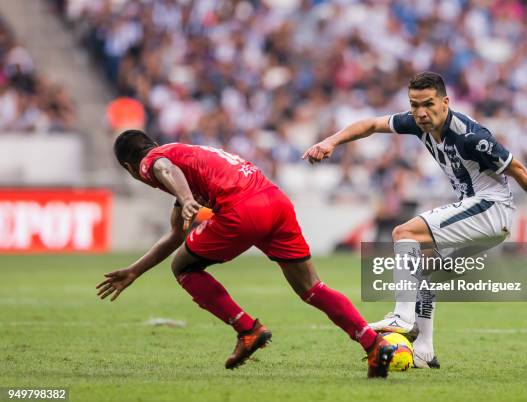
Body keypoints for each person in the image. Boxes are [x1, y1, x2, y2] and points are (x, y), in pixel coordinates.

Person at [302, 72, 527, 369]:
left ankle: (402, 316)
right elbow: (371, 124)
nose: (420, 112)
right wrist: (331, 141)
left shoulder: (471, 137)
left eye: (428, 104)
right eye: (414, 105)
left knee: (404, 233)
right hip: (477, 210)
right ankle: (424, 350)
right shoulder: (418, 124)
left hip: (491, 208)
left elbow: (518, 169)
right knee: (425, 270)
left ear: (445, 102)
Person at [96, 130, 397, 378]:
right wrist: (135, 270)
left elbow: (164, 168)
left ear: (129, 168)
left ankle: (247, 330)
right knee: (312, 288)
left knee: (184, 268)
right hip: (275, 200)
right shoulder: (185, 156)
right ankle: (374, 345)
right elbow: (176, 234)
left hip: (241, 208)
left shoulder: (152, 162)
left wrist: (186, 198)